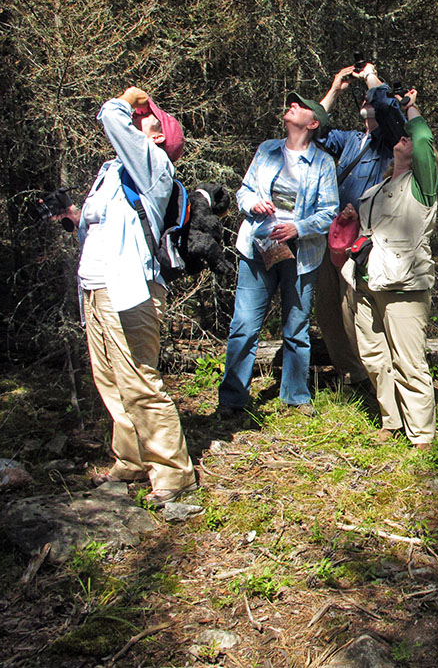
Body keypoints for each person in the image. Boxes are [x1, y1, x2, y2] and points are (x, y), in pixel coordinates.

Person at [57, 87, 197, 508]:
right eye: (139, 112)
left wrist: (126, 98)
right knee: (111, 382)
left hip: (131, 288)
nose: (138, 115)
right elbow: (101, 227)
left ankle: (174, 473)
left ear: (158, 137)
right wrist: (73, 217)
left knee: (139, 380)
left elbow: (111, 118)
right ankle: (131, 460)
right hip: (96, 286)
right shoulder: (112, 170)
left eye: (147, 115)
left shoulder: (154, 166)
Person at [216, 93, 338, 418]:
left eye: (300, 106)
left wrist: (298, 228)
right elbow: (244, 190)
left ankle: (296, 397)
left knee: (296, 328)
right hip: (258, 248)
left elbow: (330, 212)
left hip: (302, 255)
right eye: (291, 104)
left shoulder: (323, 163)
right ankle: (232, 398)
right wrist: (251, 203)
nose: (292, 106)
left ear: (312, 124)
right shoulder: (267, 150)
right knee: (244, 324)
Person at [340, 87, 438, 450]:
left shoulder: (421, 186)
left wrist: (410, 107)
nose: (403, 140)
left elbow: (424, 137)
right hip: (365, 280)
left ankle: (422, 434)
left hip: (403, 285)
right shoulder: (380, 186)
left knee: (409, 361)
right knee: (374, 356)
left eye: (407, 139)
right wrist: (353, 218)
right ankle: (391, 420)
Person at [315, 63, 402, 387]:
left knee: (356, 308)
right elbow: (314, 127)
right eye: (364, 98)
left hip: (365, 238)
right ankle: (351, 374)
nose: (367, 100)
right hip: (335, 234)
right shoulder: (349, 139)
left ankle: (374, 375)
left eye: (371, 98)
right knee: (327, 307)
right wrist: (336, 87)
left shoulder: (390, 139)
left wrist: (370, 77)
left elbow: (388, 106)